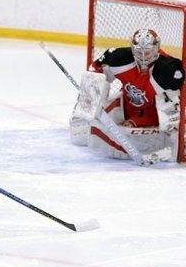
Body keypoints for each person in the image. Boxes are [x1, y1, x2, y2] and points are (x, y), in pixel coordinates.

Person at [70, 29, 185, 165]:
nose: (143, 57)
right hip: (127, 105)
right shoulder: (118, 58)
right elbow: (95, 72)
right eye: (138, 52)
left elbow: (174, 103)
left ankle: (168, 145)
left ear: (157, 48)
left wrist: (174, 135)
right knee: (94, 124)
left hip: (154, 114)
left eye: (147, 52)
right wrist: (93, 98)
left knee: (130, 135)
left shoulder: (168, 68)